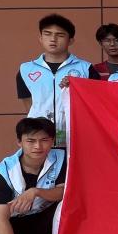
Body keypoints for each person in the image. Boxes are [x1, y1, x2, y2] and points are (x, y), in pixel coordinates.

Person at [16, 13, 98, 147]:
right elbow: (30, 105)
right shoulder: (26, 70)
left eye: (60, 35)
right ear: (40, 38)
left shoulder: (86, 69)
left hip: (75, 136)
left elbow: (94, 104)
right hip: (39, 138)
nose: (53, 39)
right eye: (47, 34)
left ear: (70, 40)